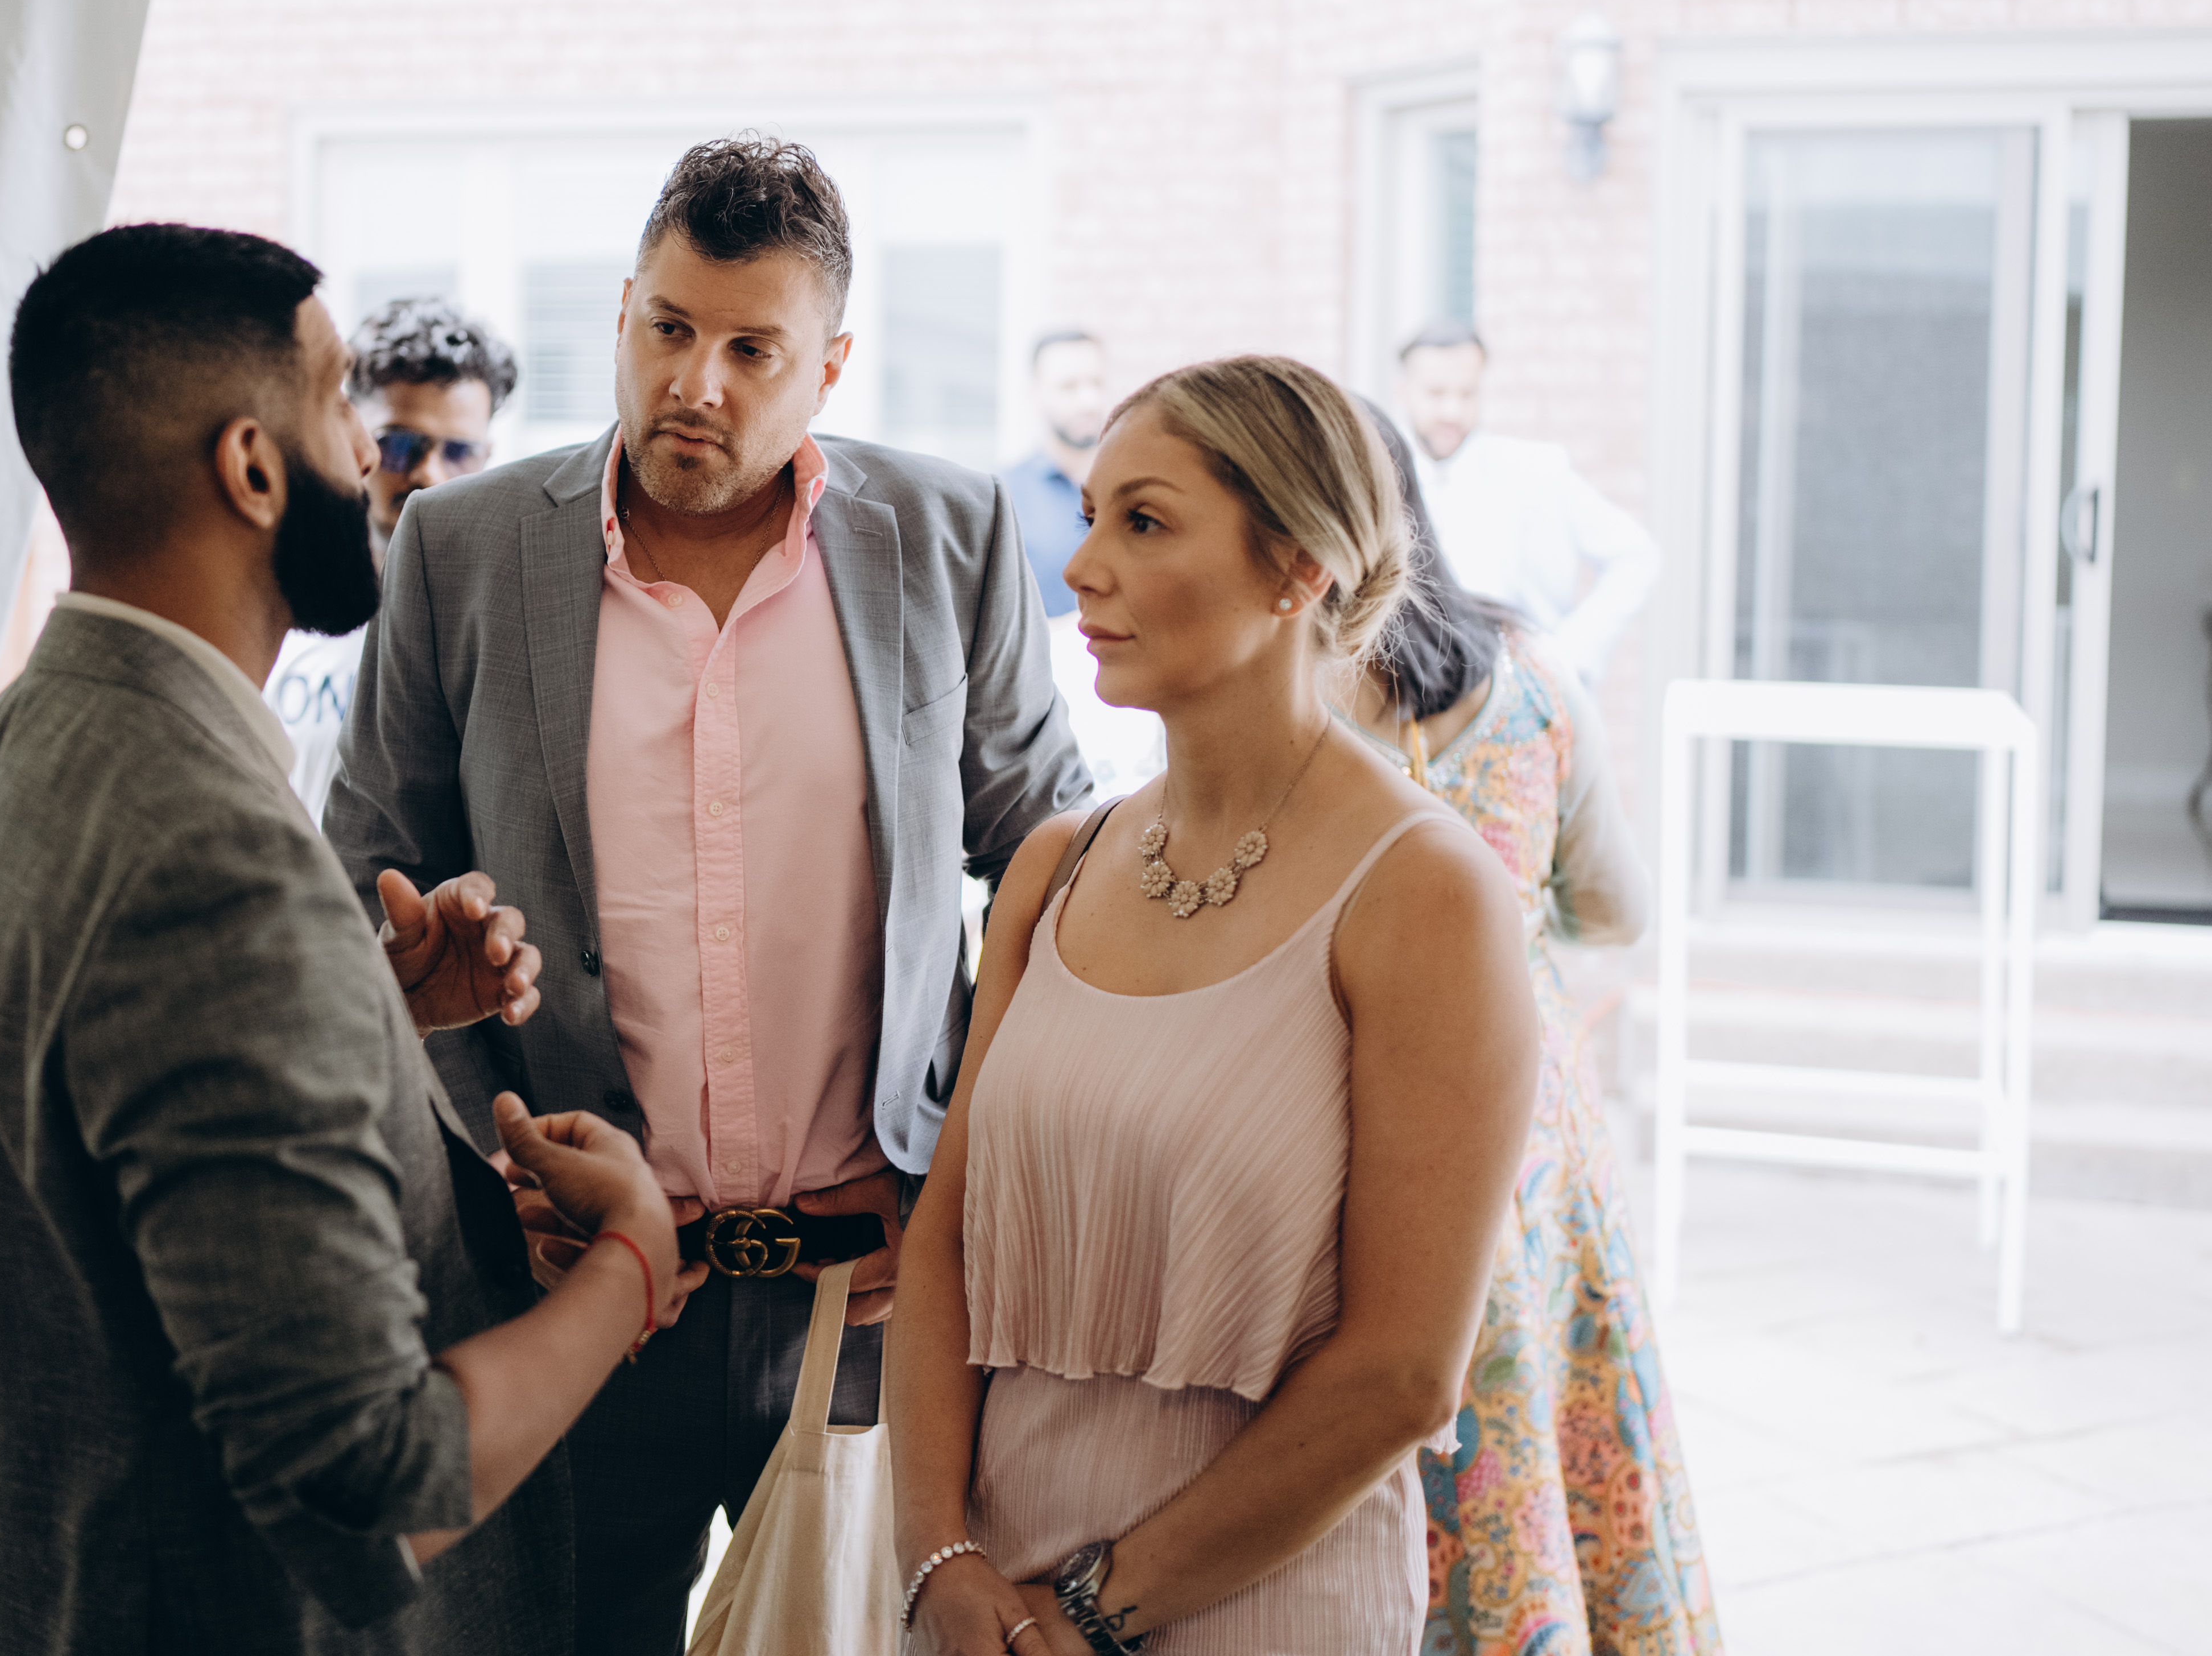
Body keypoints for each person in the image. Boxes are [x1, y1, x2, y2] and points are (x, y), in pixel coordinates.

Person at [328, 135, 1091, 1654]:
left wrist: (960, 1181)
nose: (697, 383)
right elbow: (366, 887)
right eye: (669, 329)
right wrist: (496, 1165)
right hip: (581, 1297)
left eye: (753, 350)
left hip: (870, 1296)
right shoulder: (462, 549)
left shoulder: (947, 537)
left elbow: (1051, 866)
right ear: (619, 313)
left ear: (830, 365)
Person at [0, 224, 698, 1656]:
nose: (371, 453)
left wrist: (365, 1002)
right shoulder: (211, 855)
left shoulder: (14, 750)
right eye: (340, 402)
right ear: (252, 467)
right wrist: (631, 1265)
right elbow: (366, 1483)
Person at [888, 354, 1538, 1655]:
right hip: (981, 1610)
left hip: (1259, 1602)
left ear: (1296, 567)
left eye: (1143, 522)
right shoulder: (1051, 868)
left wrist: (1089, 1609)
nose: (1081, 567)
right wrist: (939, 1560)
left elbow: (1403, 1373)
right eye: (1089, 517)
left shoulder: (1425, 894)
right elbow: (944, 1250)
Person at [1343, 405, 1723, 1656]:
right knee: (1529, 1421)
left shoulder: (1284, 705)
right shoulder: (1533, 679)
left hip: (1348, 1118)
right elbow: (1615, 908)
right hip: (1527, 1129)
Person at [268, 295, 520, 817]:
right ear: (351, 436)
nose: (429, 474)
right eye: (401, 445)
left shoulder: (505, 635)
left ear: (488, 458)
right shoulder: (275, 613)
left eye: (458, 452)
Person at [1394, 321, 1659, 684]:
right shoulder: (1378, 479)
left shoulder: (1538, 473)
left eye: (1468, 394)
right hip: (1412, 694)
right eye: (1436, 393)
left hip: (1525, 691)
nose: (1453, 411)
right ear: (1404, 391)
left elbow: (1636, 554)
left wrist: (1572, 653)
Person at [1003, 329, 1114, 618]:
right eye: (1069, 386)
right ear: (1036, 395)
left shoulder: (1136, 486)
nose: (1089, 401)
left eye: (1096, 383)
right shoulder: (1005, 498)